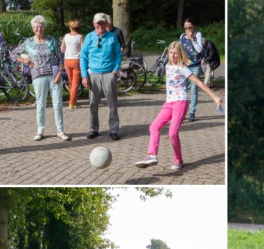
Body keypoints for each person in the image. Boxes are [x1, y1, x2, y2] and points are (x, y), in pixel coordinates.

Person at [134, 41, 222, 171]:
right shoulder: (167, 65)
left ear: (180, 54)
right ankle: (152, 155)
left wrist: (214, 97)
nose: (173, 55)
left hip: (181, 102)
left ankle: (178, 159)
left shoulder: (183, 68)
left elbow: (199, 83)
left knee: (172, 133)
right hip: (168, 103)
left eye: (175, 53)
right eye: (171, 53)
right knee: (153, 126)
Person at [12, 15, 69, 142]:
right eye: (36, 27)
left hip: (54, 75)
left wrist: (60, 72)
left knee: (58, 104)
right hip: (38, 76)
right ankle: (40, 131)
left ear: (44, 27)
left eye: (41, 26)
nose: (39, 29)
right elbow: (13, 54)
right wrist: (25, 60)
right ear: (33, 29)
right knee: (41, 104)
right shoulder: (28, 42)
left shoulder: (51, 40)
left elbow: (60, 58)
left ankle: (60, 130)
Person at [80, 13, 122, 140]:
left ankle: (113, 130)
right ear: (94, 24)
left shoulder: (112, 37)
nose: (100, 25)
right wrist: (84, 75)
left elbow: (118, 54)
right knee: (93, 103)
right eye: (98, 23)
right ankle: (94, 129)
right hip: (94, 74)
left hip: (109, 74)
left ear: (106, 24)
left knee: (112, 103)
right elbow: (83, 57)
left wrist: (115, 70)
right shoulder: (89, 38)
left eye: (102, 23)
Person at [179, 18, 204, 123]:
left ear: (193, 27)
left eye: (190, 27)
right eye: (186, 28)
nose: (188, 30)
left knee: (193, 89)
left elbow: (199, 50)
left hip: (195, 65)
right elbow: (180, 50)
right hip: (185, 65)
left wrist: (193, 40)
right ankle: (182, 111)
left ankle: (192, 112)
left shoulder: (198, 35)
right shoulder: (182, 36)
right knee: (183, 89)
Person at [61, 19, 84, 110]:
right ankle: (72, 103)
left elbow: (62, 49)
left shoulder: (65, 36)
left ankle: (73, 101)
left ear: (70, 27)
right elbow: (83, 50)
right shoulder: (80, 37)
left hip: (67, 60)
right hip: (76, 61)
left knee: (71, 82)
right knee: (75, 83)